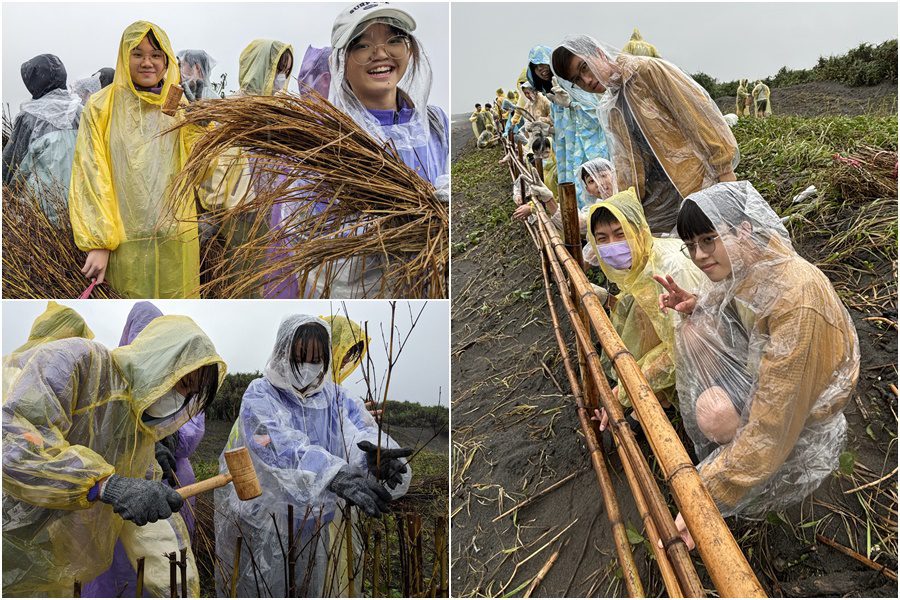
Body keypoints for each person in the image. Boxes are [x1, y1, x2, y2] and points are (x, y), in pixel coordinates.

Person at [656, 181, 859, 548]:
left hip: (807, 407)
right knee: (695, 330)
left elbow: (773, 417)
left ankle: (773, 458)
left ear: (744, 230)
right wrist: (698, 304)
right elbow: (734, 311)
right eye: (691, 246)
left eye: (708, 239)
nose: (699, 255)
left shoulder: (796, 299)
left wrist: (707, 491)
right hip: (769, 374)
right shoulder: (752, 266)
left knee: (715, 415)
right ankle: (746, 452)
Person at [2, 313, 225, 597]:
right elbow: (13, 447)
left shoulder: (139, 433)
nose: (181, 399)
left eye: (190, 394)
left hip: (52, 561)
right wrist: (104, 484)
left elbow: (151, 530)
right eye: (183, 383)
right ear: (159, 360)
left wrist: (180, 588)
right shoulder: (79, 360)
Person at [214, 315, 412, 597]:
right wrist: (333, 473)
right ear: (283, 353)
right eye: (300, 358)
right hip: (269, 526)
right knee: (267, 588)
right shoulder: (261, 395)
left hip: (316, 525)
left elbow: (357, 432)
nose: (309, 367)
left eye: (317, 359)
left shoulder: (337, 398)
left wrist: (373, 459)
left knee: (314, 587)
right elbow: (280, 448)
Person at [303, 1, 449, 297]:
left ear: (409, 50)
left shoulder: (435, 123)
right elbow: (314, 229)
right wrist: (392, 227)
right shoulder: (330, 137)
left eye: (394, 40)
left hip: (433, 282)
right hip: (367, 291)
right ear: (341, 62)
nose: (381, 53)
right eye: (362, 45)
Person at [69, 22, 208, 298]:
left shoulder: (177, 105)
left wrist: (201, 125)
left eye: (156, 55)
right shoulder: (101, 107)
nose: (147, 63)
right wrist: (100, 241)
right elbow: (91, 172)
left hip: (176, 238)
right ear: (124, 57)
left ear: (167, 60)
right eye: (138, 54)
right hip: (125, 242)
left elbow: (201, 169)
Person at [551, 35, 738, 234]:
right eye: (576, 80)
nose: (586, 80)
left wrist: (726, 183)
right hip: (660, 204)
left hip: (700, 185)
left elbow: (702, 121)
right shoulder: (611, 107)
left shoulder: (647, 71)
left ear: (598, 53)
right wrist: (627, 207)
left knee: (719, 249)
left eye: (584, 67)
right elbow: (627, 164)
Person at [83, 302, 209, 596]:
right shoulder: (110, 380)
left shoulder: (186, 377)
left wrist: (169, 439)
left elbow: (194, 423)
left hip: (173, 478)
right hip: (120, 487)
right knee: (116, 571)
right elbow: (97, 436)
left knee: (165, 564)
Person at [582, 187, 706, 432]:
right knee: (637, 311)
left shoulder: (668, 269)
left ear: (638, 231)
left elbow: (680, 347)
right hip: (681, 338)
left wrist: (624, 388)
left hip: (705, 351)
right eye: (602, 238)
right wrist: (607, 299)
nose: (612, 245)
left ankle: (665, 399)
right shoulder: (641, 260)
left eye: (620, 234)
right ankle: (659, 397)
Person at [198, 39, 296, 299]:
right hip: (241, 213)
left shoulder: (283, 113)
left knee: (272, 278)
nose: (281, 78)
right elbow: (215, 164)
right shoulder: (234, 110)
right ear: (258, 68)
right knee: (244, 280)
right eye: (277, 70)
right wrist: (217, 206)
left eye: (286, 71)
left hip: (276, 210)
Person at [527, 45, 609, 209]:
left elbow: (597, 114)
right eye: (537, 68)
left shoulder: (573, 85)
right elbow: (564, 127)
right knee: (576, 188)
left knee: (596, 188)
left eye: (543, 64)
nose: (542, 70)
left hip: (588, 149)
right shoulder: (551, 93)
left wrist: (571, 104)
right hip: (569, 152)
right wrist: (550, 130)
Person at [3, 53, 82, 223]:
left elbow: (12, 164)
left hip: (43, 212)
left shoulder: (30, 117)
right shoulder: (81, 111)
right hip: (83, 208)